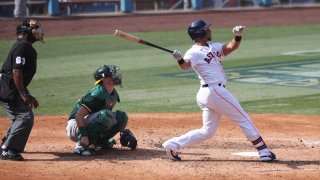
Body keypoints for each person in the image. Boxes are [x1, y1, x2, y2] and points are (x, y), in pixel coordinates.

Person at [162, 20, 276, 162]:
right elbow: (186, 66)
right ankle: (264, 151)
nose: (210, 31)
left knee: (207, 132)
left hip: (209, 93)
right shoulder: (193, 52)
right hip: (214, 91)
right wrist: (179, 59)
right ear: (201, 32)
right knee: (244, 119)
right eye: (207, 29)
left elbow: (229, 48)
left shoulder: (213, 46)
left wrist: (238, 36)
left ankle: (172, 145)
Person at [66, 65, 137, 156]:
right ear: (105, 79)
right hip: (75, 126)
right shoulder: (97, 93)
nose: (117, 77)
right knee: (105, 116)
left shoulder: (113, 93)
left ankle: (100, 142)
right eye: (113, 75)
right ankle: (81, 145)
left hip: (89, 120)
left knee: (121, 117)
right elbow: (78, 115)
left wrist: (121, 129)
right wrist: (84, 135)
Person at [0, 19, 44, 161]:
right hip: (7, 86)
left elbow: (19, 75)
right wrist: (23, 94)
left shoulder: (24, 46)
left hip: (8, 85)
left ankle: (6, 144)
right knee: (25, 117)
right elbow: (16, 72)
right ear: (25, 33)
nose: (37, 31)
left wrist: (28, 94)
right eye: (34, 29)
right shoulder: (22, 45)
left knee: (21, 116)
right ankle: (8, 149)